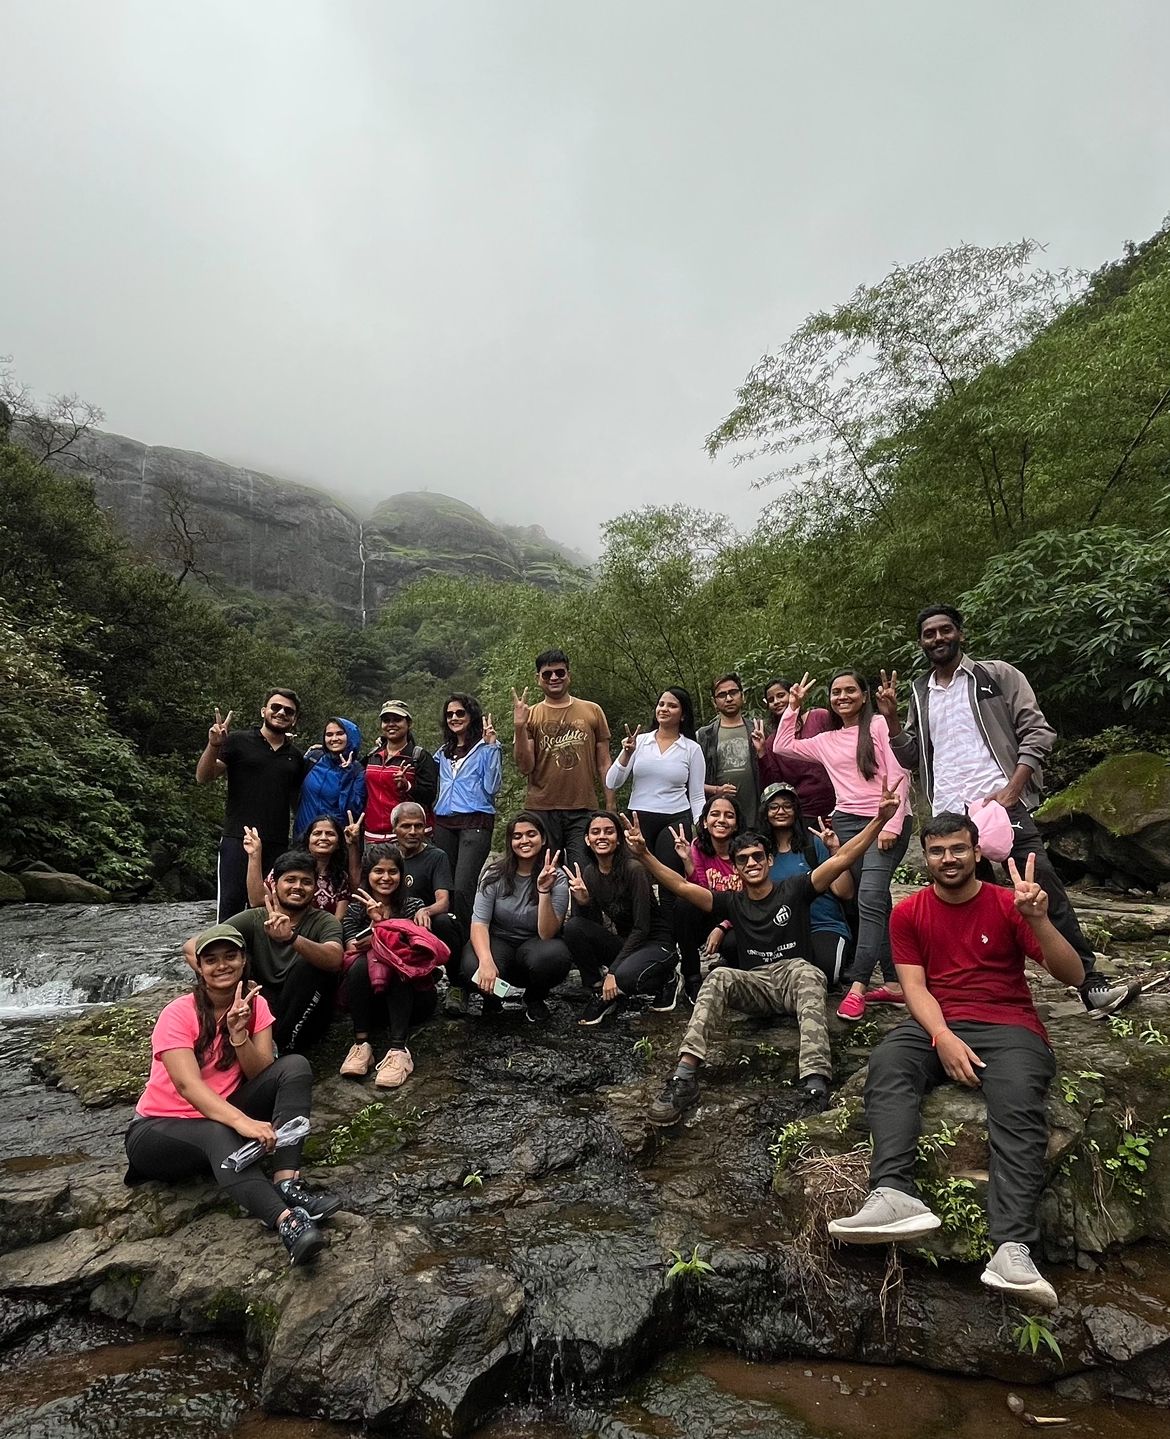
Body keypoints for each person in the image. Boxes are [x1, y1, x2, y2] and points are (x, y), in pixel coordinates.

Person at [828, 812, 1085, 1311]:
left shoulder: (1007, 904)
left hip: (1009, 1025)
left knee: (1016, 1102)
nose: (949, 859)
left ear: (975, 852)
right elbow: (914, 987)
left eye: (958, 849)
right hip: (936, 1020)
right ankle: (894, 1194)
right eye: (938, 851)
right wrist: (942, 1036)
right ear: (925, 857)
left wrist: (1038, 919)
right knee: (888, 1064)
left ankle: (1012, 1247)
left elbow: (1073, 973)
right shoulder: (909, 913)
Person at [881, 605, 1135, 1017]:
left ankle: (1091, 983)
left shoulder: (995, 676)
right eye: (929, 633)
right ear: (921, 642)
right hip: (950, 811)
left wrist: (1014, 788)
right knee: (967, 904)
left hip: (1000, 804)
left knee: (1042, 887)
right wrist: (892, 720)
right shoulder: (920, 691)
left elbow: (1037, 731)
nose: (938, 638)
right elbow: (913, 757)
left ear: (960, 634)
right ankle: (976, 993)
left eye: (945, 630)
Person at [624, 776, 903, 1125]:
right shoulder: (731, 902)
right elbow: (681, 885)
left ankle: (815, 1084)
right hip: (756, 984)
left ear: (769, 860)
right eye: (744, 859)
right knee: (720, 975)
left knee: (806, 971)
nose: (752, 863)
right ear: (737, 868)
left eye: (758, 856)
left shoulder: (797, 889)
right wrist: (644, 854)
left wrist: (879, 820)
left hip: (793, 978)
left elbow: (843, 858)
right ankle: (683, 1077)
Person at [125, 923, 340, 1266]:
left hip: (218, 1115)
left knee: (294, 1066)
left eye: (230, 957)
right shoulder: (178, 1013)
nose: (221, 965)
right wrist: (244, 1122)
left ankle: (286, 1181)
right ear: (200, 967)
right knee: (219, 1130)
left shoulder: (256, 1006)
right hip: (157, 1132)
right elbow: (187, 1086)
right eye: (211, 960)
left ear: (244, 961)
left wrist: (239, 1035)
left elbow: (261, 1072)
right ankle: (287, 1222)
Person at [775, 670, 913, 1021]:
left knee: (867, 899)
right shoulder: (827, 739)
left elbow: (901, 774)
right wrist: (792, 707)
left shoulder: (880, 726)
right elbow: (782, 747)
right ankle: (896, 984)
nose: (842, 697)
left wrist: (892, 824)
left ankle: (859, 985)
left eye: (850, 690)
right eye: (836, 692)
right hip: (848, 823)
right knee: (877, 901)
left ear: (864, 696)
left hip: (886, 819)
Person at [186, 851, 344, 1054]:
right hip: (259, 1001)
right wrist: (234, 980)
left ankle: (281, 1049)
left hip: (305, 1010)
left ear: (314, 888)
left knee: (310, 967)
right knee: (231, 956)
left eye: (306, 882)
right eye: (290, 880)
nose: (297, 887)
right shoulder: (255, 918)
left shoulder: (324, 921)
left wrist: (292, 938)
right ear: (275, 885)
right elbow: (192, 947)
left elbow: (335, 959)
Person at [604, 686, 705, 1003]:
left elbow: (697, 795)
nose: (664, 708)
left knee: (674, 894)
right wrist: (626, 753)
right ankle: (644, 961)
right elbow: (612, 782)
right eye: (661, 703)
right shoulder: (640, 742)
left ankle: (689, 971)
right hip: (638, 819)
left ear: (682, 713)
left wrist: (698, 829)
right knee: (636, 891)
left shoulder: (691, 749)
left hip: (675, 820)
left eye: (671, 705)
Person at [196, 689, 307, 922]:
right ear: (263, 711)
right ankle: (226, 957)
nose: (281, 713)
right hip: (238, 838)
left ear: (294, 719)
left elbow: (298, 803)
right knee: (231, 906)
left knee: (268, 907)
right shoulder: (237, 741)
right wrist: (213, 745)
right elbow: (203, 776)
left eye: (288, 711)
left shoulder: (296, 757)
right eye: (275, 707)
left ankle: (259, 958)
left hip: (276, 843)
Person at [561, 812, 679, 1025]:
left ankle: (667, 979)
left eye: (609, 831)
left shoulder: (634, 869)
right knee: (573, 927)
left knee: (624, 977)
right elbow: (592, 927)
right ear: (587, 840)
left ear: (618, 839)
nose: (602, 836)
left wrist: (613, 972)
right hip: (629, 945)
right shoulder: (590, 873)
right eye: (595, 832)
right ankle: (600, 991)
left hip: (656, 943)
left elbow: (642, 927)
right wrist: (585, 902)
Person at [338, 844, 441, 1087]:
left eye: (392, 872)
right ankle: (361, 1043)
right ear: (368, 875)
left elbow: (419, 952)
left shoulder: (414, 906)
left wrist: (385, 924)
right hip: (371, 1002)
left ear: (402, 875)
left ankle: (399, 1050)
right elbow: (352, 947)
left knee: (396, 962)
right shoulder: (355, 908)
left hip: (413, 999)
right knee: (361, 964)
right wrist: (376, 925)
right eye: (378, 871)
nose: (385, 878)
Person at [461, 812, 572, 1024]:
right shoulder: (494, 874)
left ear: (543, 838)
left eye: (531, 834)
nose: (524, 841)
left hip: (535, 945)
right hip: (499, 943)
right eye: (517, 836)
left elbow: (547, 933)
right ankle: (493, 999)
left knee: (555, 956)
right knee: (471, 965)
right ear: (510, 841)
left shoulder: (556, 877)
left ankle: (534, 997)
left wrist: (543, 891)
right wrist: (485, 962)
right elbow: (479, 923)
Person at [512, 649, 611, 869]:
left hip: (583, 807)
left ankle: (581, 905)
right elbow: (525, 766)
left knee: (582, 872)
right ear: (538, 678)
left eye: (560, 672)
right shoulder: (532, 714)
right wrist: (519, 728)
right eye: (547, 674)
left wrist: (610, 804)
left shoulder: (592, 710)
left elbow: (605, 763)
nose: (554, 678)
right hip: (541, 808)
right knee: (545, 874)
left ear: (569, 675)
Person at [759, 782, 854, 987]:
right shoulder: (760, 852)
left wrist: (835, 852)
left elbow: (844, 892)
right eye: (773, 807)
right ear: (765, 812)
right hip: (782, 929)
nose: (780, 811)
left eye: (787, 806)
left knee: (826, 974)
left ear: (796, 811)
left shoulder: (814, 844)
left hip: (823, 925)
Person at [377, 801, 466, 1014]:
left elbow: (443, 901)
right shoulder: (387, 857)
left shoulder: (436, 856)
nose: (413, 832)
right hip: (392, 924)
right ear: (394, 828)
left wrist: (426, 910)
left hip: (424, 925)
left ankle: (457, 985)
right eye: (406, 826)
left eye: (418, 826)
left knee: (446, 922)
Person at [432, 694, 502, 929]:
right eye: (450, 714)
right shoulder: (443, 751)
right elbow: (429, 782)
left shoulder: (484, 748)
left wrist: (492, 746)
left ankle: (468, 941)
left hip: (475, 820)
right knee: (444, 887)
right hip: (443, 822)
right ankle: (447, 940)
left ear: (471, 716)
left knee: (463, 887)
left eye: (460, 713)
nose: (454, 718)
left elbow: (493, 786)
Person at [674, 794, 744, 1002]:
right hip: (708, 914)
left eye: (729, 816)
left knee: (733, 945)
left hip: (738, 920)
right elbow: (701, 893)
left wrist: (723, 926)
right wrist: (688, 863)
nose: (721, 820)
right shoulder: (696, 847)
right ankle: (692, 977)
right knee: (683, 904)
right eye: (715, 814)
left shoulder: (745, 850)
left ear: (737, 823)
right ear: (705, 822)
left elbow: (750, 897)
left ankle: (731, 969)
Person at [753, 678, 836, 819]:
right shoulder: (773, 741)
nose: (776, 702)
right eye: (771, 700)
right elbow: (775, 783)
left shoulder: (819, 717)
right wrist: (761, 752)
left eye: (781, 695)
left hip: (838, 802)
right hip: (804, 810)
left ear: (792, 694)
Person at [245, 814, 351, 919]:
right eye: (317, 833)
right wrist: (254, 854)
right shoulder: (287, 868)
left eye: (330, 834)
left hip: (323, 934)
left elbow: (338, 921)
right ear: (308, 840)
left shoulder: (341, 878)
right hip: (278, 928)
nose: (323, 838)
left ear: (338, 843)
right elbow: (257, 901)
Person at [362, 700, 438, 843]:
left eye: (397, 720)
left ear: (409, 724)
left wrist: (407, 786)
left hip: (410, 836)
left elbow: (429, 795)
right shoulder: (372, 756)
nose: (391, 724)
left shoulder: (419, 757)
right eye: (386, 720)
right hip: (373, 835)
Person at [696, 673, 760, 821]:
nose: (729, 699)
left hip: (756, 816)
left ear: (742, 696)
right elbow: (690, 782)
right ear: (714, 702)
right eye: (722, 695)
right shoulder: (704, 736)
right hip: (720, 818)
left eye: (733, 692)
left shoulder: (757, 729)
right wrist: (716, 790)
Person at [293, 718, 365, 836]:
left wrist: (347, 775)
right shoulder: (314, 758)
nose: (334, 739)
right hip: (302, 836)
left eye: (340, 734)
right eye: (329, 734)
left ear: (351, 736)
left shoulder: (358, 772)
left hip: (330, 840)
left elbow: (351, 811)